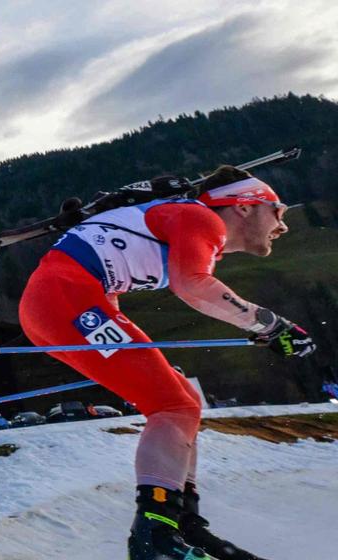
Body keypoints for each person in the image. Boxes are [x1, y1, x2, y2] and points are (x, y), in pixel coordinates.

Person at [18, 166, 313, 560]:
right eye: (278, 210)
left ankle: (181, 525)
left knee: (182, 399)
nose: (283, 225)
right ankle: (155, 536)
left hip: (63, 302)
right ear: (244, 207)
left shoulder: (184, 219)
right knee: (173, 406)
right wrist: (270, 323)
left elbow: (105, 256)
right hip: (66, 299)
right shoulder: (200, 218)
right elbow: (191, 285)